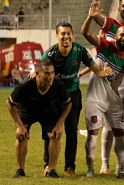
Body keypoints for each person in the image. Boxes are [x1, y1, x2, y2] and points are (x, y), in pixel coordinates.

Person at [80, 2, 124, 177]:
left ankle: (120, 167)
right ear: (116, 36)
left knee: (120, 132)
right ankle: (90, 168)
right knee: (93, 132)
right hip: (96, 97)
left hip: (113, 97)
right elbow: (85, 33)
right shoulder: (105, 46)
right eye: (122, 35)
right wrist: (90, 17)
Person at [42, 22, 106, 176]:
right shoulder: (50, 54)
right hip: (54, 97)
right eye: (62, 34)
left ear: (72, 35)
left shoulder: (79, 50)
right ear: (57, 36)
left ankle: (70, 167)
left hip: (72, 95)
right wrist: (33, 73)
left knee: (71, 131)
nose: (66, 36)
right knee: (51, 131)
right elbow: (40, 70)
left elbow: (96, 69)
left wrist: (106, 71)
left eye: (69, 33)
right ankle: (48, 165)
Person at [7, 58, 72, 178]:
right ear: (37, 74)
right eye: (46, 73)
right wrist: (19, 125)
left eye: (52, 73)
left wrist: (59, 125)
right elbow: (9, 104)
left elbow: (68, 104)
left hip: (48, 111)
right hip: (26, 111)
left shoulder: (57, 84)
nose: (50, 76)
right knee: (22, 136)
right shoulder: (25, 84)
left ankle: (51, 171)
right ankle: (20, 170)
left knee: (55, 135)